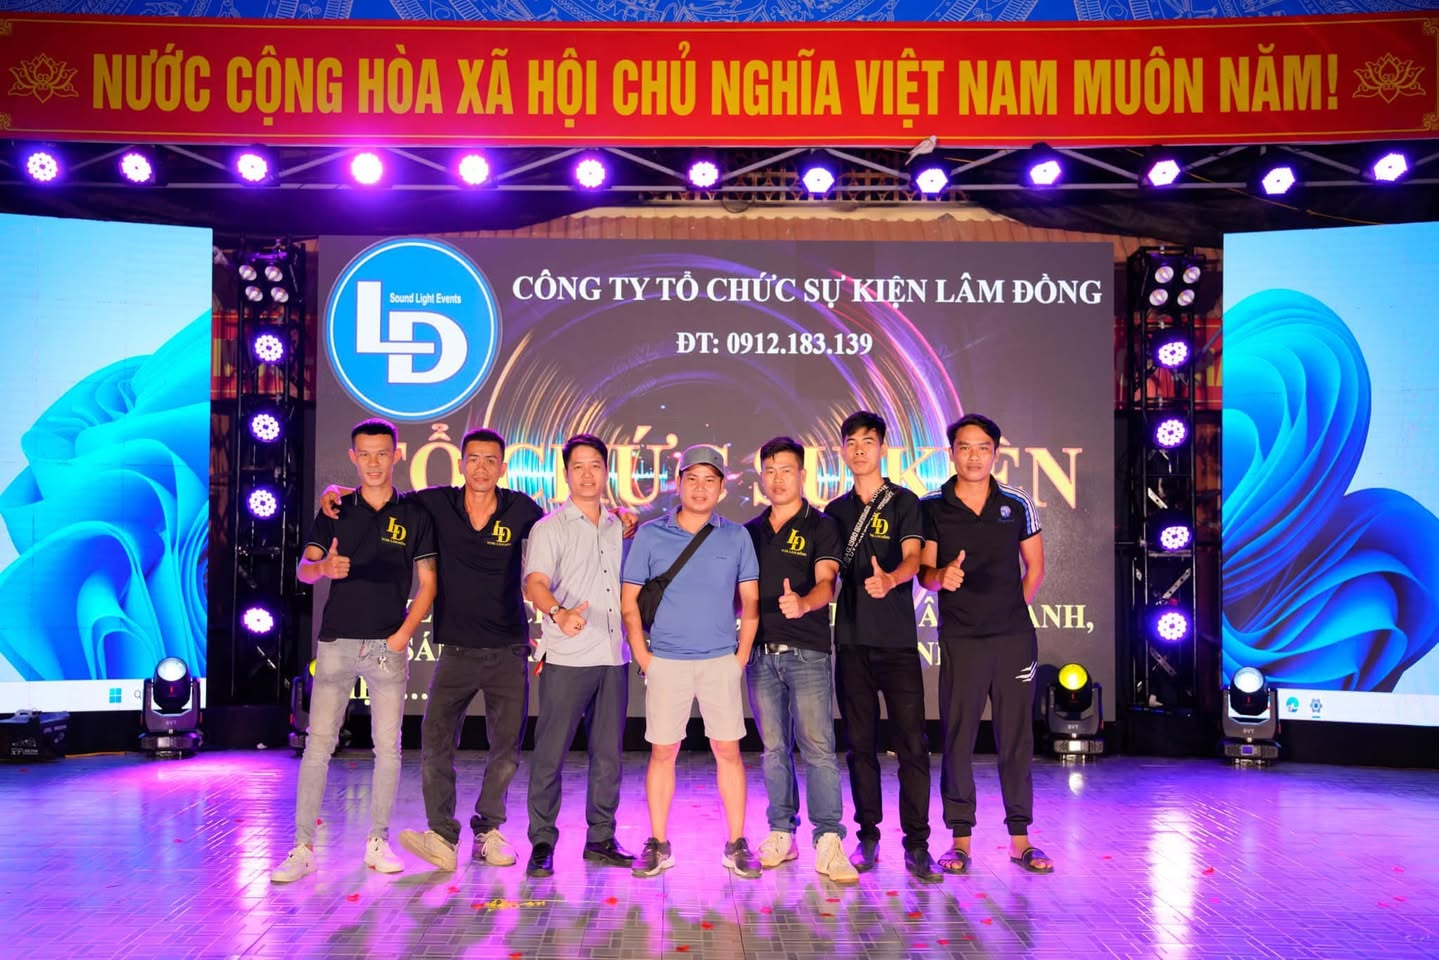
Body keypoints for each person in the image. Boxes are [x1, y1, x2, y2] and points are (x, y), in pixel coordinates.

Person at [271, 418, 437, 883]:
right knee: (318, 745)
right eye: (365, 454)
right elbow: (303, 570)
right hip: (337, 642)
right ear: (353, 457)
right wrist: (323, 567)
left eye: (382, 453)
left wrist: (403, 634)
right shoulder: (336, 508)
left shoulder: (415, 514)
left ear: (396, 455)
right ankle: (302, 847)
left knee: (389, 748)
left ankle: (378, 841)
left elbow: (428, 584)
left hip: (388, 646)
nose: (374, 463)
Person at [918, 413, 1052, 875]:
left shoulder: (1016, 502)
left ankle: (1021, 839)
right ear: (951, 453)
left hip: (1013, 639)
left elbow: (1035, 567)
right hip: (961, 639)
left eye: (982, 448)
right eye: (964, 447)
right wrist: (942, 576)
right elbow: (925, 575)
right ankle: (960, 840)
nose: (973, 456)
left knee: (1015, 737)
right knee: (958, 737)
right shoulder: (932, 506)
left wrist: (1011, 609)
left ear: (995, 453)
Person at [620, 444, 762, 879]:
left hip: (720, 661)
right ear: (678, 483)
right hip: (666, 661)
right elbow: (628, 603)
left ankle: (736, 843)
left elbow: (751, 602)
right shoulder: (650, 535)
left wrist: (739, 657)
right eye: (692, 479)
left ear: (721, 488)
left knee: (728, 751)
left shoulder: (736, 537)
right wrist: (644, 656)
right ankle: (658, 843)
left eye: (710, 480)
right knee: (663, 752)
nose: (700, 488)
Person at [823, 411, 942, 882]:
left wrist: (891, 578)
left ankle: (917, 844)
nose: (859, 450)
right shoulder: (834, 511)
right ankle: (867, 836)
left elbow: (914, 558)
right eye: (851, 442)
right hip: (851, 643)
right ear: (842, 450)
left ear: (882, 448)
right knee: (860, 746)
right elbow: (826, 571)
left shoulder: (905, 502)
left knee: (912, 745)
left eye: (867, 442)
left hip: (897, 645)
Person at [744, 437, 858, 883]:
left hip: (807, 653)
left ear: (802, 475)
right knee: (774, 749)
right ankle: (781, 832)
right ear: (762, 477)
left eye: (786, 470)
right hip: (760, 655)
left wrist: (805, 603)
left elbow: (827, 583)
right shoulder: (749, 531)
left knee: (818, 749)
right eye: (770, 471)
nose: (777, 479)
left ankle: (828, 838)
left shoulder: (821, 525)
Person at [521, 434, 634, 877]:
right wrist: (558, 612)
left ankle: (600, 838)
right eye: (578, 467)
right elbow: (534, 582)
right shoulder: (550, 527)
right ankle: (542, 841)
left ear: (607, 472)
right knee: (551, 754)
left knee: (608, 755)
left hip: (613, 654)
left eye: (595, 466)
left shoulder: (619, 526)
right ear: (566, 474)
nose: (587, 475)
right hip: (567, 656)